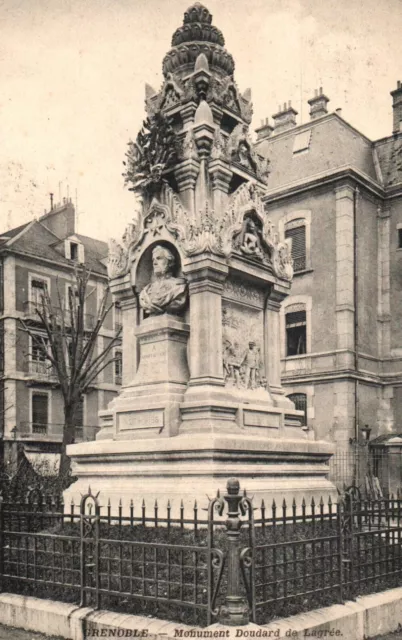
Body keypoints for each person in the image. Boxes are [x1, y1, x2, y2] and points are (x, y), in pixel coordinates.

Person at [139, 245, 187, 316]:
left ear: (169, 262)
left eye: (159, 258)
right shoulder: (146, 291)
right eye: (153, 260)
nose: (154, 263)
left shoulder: (179, 286)